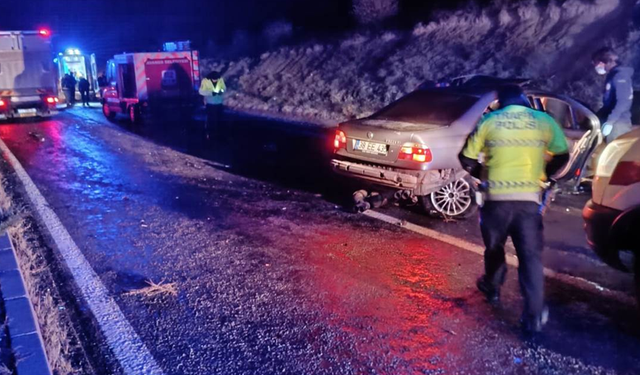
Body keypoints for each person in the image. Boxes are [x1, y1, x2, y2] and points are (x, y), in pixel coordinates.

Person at [458, 85, 569, 333]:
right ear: (524, 101)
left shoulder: (489, 120)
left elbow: (466, 158)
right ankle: (534, 314)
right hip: (528, 202)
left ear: (501, 102)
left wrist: (481, 175)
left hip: (495, 201)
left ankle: (493, 287)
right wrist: (547, 176)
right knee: (530, 258)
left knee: (494, 247)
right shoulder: (543, 120)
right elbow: (562, 155)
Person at [592, 47, 635, 143]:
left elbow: (623, 102)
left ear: (603, 62)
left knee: (615, 154)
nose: (598, 67)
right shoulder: (613, 76)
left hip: (618, 124)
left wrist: (610, 121)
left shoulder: (620, 76)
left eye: (597, 64)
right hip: (614, 122)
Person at [198, 71, 226, 140]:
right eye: (214, 79)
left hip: (219, 103)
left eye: (216, 79)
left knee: (220, 119)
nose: (215, 80)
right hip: (210, 104)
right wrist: (210, 93)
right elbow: (201, 91)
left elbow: (224, 88)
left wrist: (221, 91)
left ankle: (219, 134)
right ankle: (210, 134)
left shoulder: (220, 79)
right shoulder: (205, 81)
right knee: (211, 120)